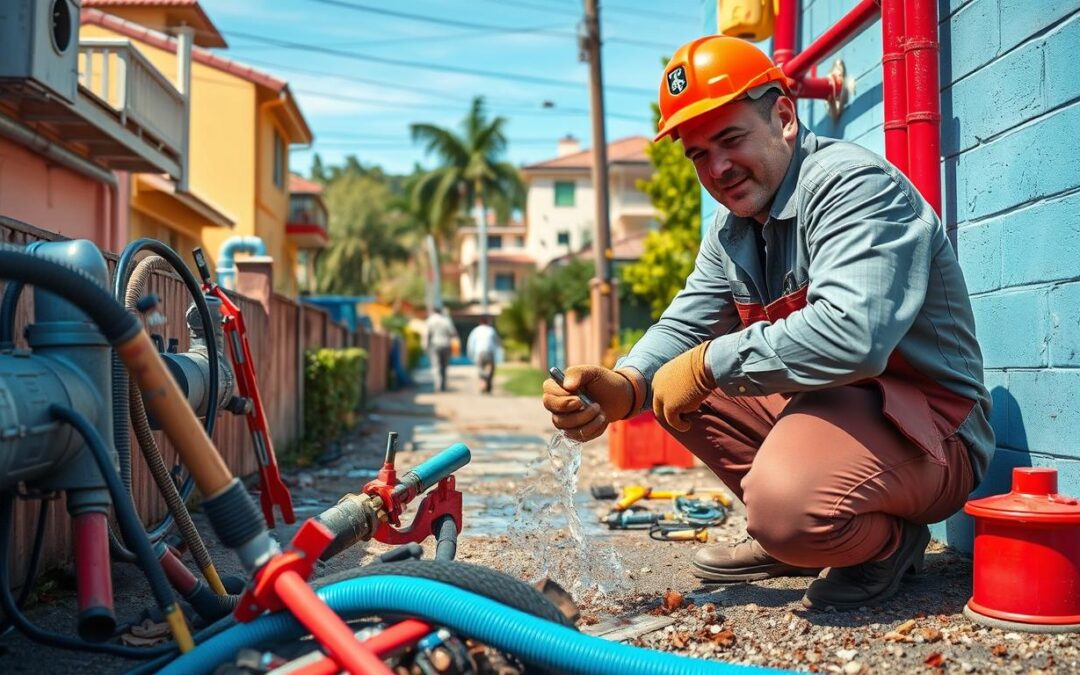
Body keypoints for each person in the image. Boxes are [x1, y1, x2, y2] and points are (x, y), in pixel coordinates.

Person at [542, 36, 993, 611]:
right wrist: (626, 385)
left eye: (731, 139)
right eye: (699, 154)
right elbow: (685, 325)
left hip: (934, 431)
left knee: (758, 463)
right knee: (670, 392)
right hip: (841, 412)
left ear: (783, 115)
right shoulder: (734, 229)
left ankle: (877, 542)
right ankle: (805, 538)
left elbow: (853, 338)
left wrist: (709, 364)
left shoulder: (852, 187)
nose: (718, 167)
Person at [424, 306, 457, 392]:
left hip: (435, 345)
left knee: (436, 366)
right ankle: (443, 385)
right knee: (444, 366)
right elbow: (453, 333)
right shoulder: (446, 320)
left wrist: (425, 346)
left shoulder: (430, 320)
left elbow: (427, 334)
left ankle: (438, 385)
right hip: (446, 345)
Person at [466, 316, 500, 394]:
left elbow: (471, 343)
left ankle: (483, 384)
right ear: (487, 322)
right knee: (490, 370)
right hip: (489, 352)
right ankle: (488, 386)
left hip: (479, 352)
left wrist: (471, 354)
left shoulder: (476, 331)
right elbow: (497, 343)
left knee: (480, 369)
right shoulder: (491, 330)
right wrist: (497, 353)